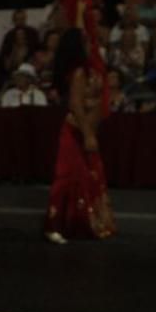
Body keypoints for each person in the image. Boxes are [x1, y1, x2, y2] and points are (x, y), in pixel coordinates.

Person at [44, 28, 117, 243]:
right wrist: (87, 135)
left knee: (89, 176)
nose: (90, 45)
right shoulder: (78, 73)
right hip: (76, 130)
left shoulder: (90, 70)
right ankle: (54, 225)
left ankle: (82, 222)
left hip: (89, 129)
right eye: (85, 42)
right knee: (67, 177)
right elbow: (75, 104)